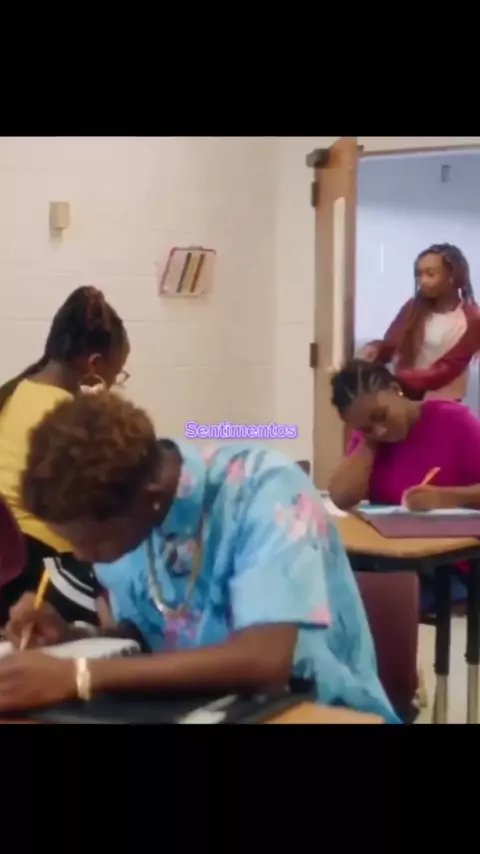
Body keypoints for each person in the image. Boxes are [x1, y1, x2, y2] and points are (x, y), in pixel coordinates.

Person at [0, 392, 398, 722]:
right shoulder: (127, 508)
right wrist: (73, 638)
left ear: (150, 499)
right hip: (194, 707)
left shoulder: (264, 490)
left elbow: (265, 662)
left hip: (313, 709)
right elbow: (152, 637)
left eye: (97, 545)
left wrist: (79, 674)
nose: (84, 556)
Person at [0, 287, 129, 626]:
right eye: (118, 375)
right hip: (40, 576)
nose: (115, 384)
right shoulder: (69, 418)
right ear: (95, 366)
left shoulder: (16, 393)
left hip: (10, 568)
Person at [328, 358, 480, 615]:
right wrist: (368, 443)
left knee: (364, 600)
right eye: (366, 427)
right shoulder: (372, 440)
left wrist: (445, 498)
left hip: (451, 565)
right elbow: (341, 497)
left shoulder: (453, 420)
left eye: (381, 416)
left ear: (395, 390)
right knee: (331, 587)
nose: (380, 429)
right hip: (391, 557)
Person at [359, 243, 480, 401]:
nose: (422, 281)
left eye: (430, 274)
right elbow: (391, 344)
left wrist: (399, 378)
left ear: (452, 277)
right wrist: (375, 349)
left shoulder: (471, 320)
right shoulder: (413, 307)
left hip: (443, 402)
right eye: (419, 274)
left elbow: (446, 370)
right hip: (406, 396)